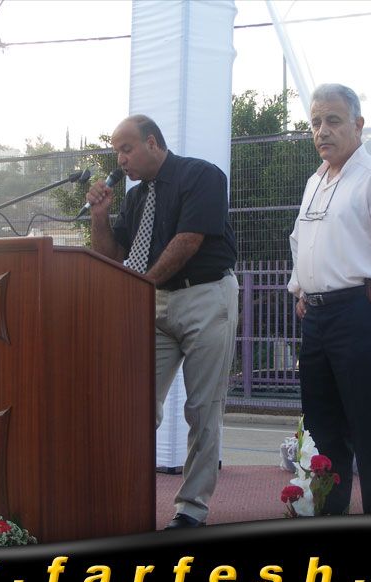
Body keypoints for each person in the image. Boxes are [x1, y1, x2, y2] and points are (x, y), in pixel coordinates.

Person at [86, 115, 239, 529]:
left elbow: (188, 241)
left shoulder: (201, 176)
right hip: (155, 300)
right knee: (134, 402)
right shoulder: (136, 197)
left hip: (205, 296)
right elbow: (111, 256)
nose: (120, 160)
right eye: (117, 152)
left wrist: (139, 288)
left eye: (127, 149)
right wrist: (99, 216)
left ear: (152, 143)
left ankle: (191, 509)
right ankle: (124, 497)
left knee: (202, 409)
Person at [288, 84, 371, 514]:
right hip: (317, 319)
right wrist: (302, 288)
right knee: (322, 431)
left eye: (333, 120)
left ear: (358, 125)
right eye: (315, 123)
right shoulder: (315, 182)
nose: (322, 131)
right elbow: (300, 241)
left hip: (362, 314)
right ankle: (329, 515)